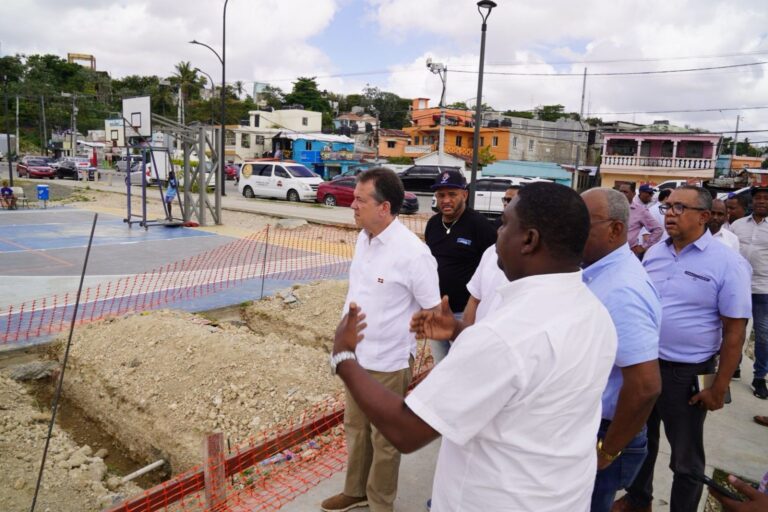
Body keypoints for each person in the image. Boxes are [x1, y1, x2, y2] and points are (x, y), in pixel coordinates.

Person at [331, 182, 617, 511]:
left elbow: (405, 430)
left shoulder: (505, 335)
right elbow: (523, 373)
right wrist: (459, 331)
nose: (497, 235)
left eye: (505, 223)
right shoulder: (593, 311)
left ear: (529, 240)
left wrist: (344, 357)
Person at [614, 186, 752, 512]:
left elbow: (735, 332)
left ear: (704, 217)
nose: (671, 213)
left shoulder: (727, 263)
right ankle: (638, 500)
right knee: (639, 443)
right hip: (644, 365)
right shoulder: (655, 252)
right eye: (668, 207)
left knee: (686, 460)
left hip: (686, 374)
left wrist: (718, 387)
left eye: (680, 208)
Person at [321, 167, 441, 512]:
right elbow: (357, 292)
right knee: (356, 429)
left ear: (384, 207)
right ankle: (355, 491)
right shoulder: (364, 238)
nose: (352, 205)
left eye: (360, 199)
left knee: (385, 440)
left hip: (389, 361)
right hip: (356, 360)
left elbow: (433, 311)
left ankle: (380, 504)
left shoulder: (413, 254)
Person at [580, 188, 662, 512]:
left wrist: (607, 451)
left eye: (582, 224)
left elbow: (645, 387)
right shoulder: (599, 273)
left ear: (614, 229)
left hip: (604, 431)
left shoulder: (623, 288)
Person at [424, 170, 496, 363]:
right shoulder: (432, 225)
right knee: (440, 367)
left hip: (466, 315)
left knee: (464, 368)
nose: (446, 200)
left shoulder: (480, 226)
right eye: (441, 195)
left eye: (452, 194)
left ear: (464, 194)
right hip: (436, 312)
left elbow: (494, 267)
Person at [730, 185, 768, 399]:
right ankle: (733, 366)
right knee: (734, 331)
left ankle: (760, 376)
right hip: (738, 286)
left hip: (763, 289)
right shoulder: (737, 225)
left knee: (763, 335)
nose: (762, 201)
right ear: (752, 202)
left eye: (765, 198)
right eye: (758, 198)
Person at [618, 183, 663, 259]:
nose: (622, 194)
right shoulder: (611, 208)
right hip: (609, 253)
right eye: (620, 191)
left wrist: (643, 247)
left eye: (625, 192)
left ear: (633, 194)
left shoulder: (640, 210)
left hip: (627, 255)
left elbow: (658, 229)